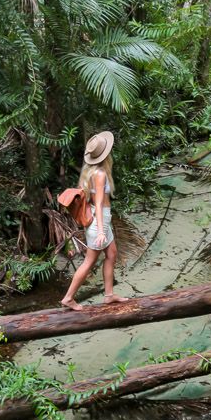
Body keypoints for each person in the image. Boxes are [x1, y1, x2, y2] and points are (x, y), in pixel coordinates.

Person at [60, 131, 129, 311]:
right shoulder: (100, 174)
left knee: (112, 253)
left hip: (100, 218)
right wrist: (100, 230)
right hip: (100, 219)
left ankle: (109, 295)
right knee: (89, 261)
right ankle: (68, 298)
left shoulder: (89, 171)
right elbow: (98, 203)